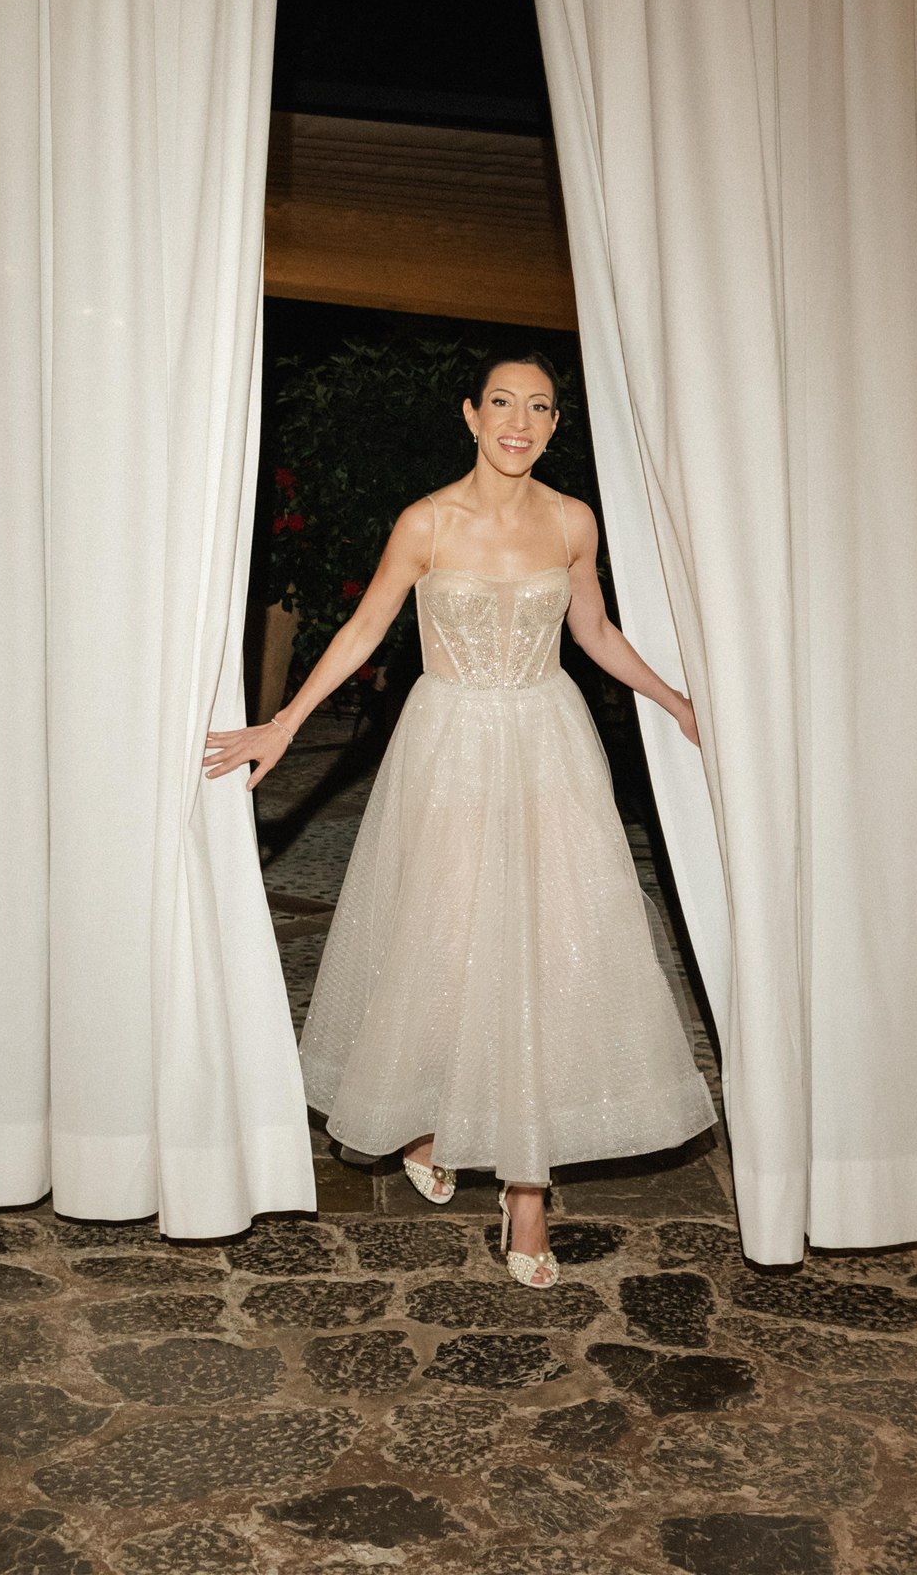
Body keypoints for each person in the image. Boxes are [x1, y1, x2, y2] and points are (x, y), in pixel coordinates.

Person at [205, 352, 716, 1287]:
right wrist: (283, 723)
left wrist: (675, 699)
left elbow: (592, 632)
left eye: (539, 407)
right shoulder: (426, 522)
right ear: (471, 416)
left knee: (545, 947)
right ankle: (435, 1120)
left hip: (546, 741)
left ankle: (528, 1197)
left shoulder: (570, 521)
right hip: (447, 746)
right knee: (444, 942)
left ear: (555, 424)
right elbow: (363, 628)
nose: (519, 421)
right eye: (502, 404)